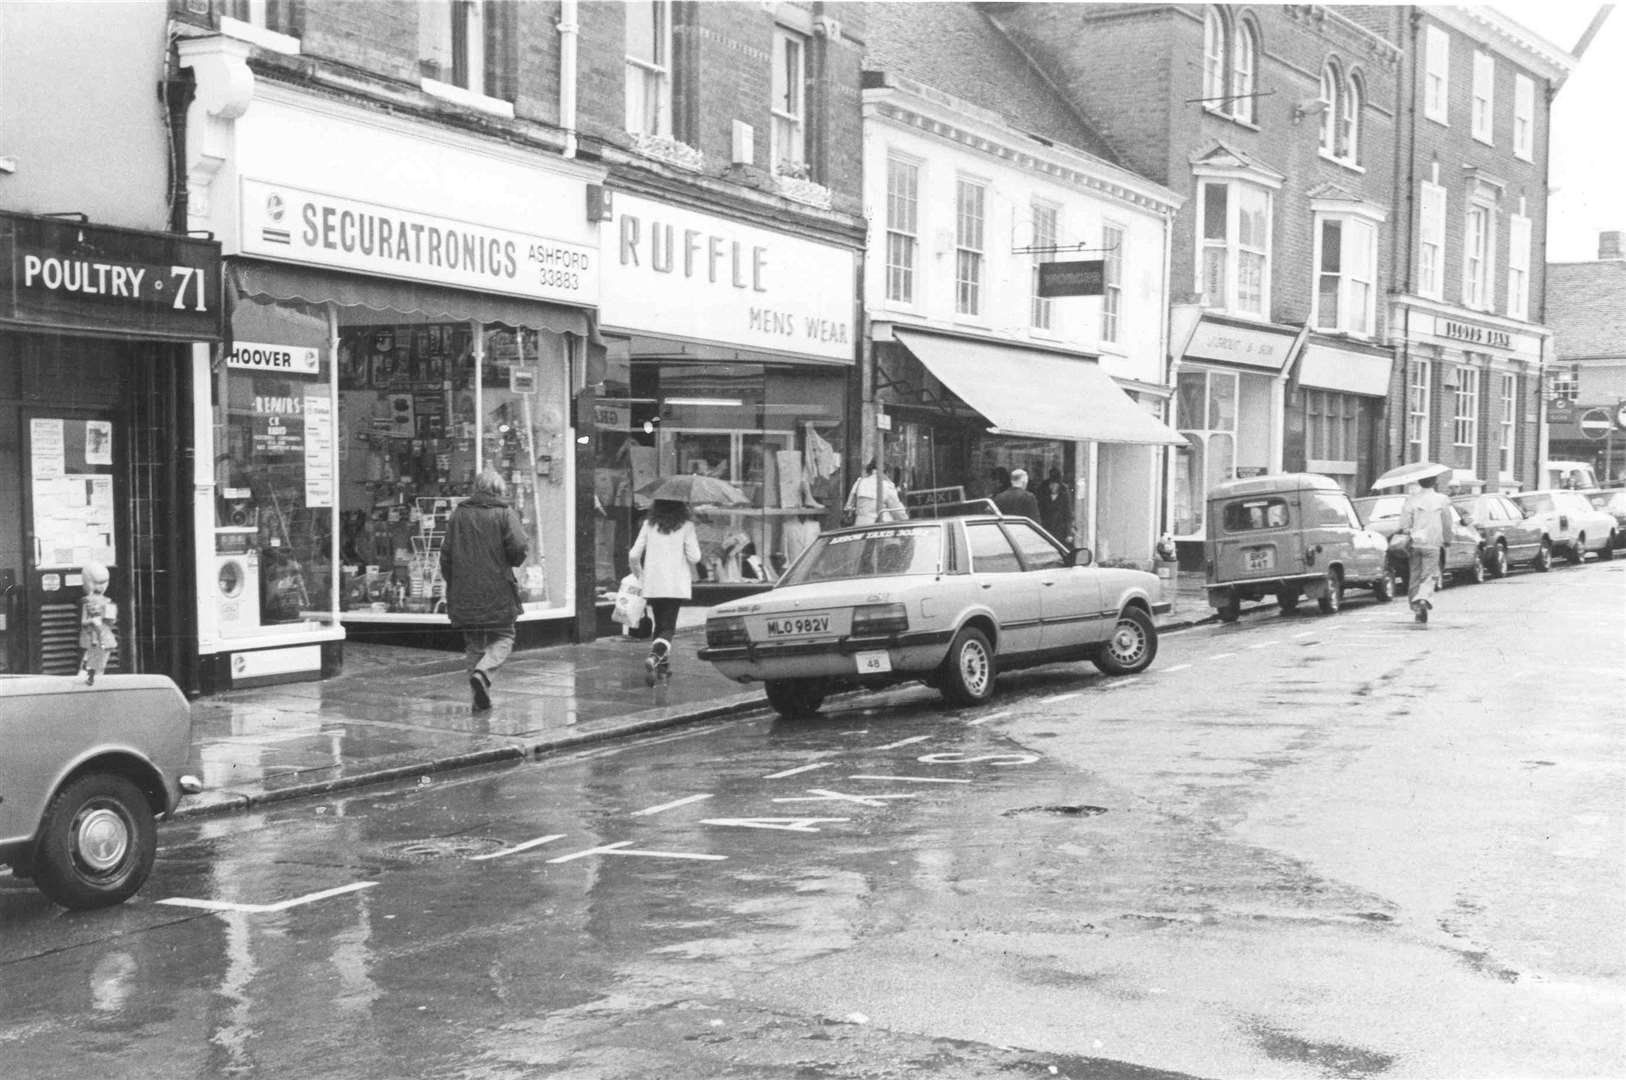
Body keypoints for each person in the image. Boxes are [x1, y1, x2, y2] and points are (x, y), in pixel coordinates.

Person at [440, 468, 528, 711]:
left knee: (474, 644)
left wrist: (454, 582)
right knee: (505, 636)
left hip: (465, 591)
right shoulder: (504, 513)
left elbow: (445, 555)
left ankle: (478, 697)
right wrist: (512, 560)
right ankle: (484, 672)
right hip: (497, 589)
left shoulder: (459, 513)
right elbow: (519, 546)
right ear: (498, 490)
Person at [629, 498, 703, 684]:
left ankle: (662, 668)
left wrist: (639, 574)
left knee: (660, 625)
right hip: (674, 585)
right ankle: (655, 657)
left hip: (653, 584)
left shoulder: (648, 524)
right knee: (668, 628)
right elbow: (695, 558)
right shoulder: (686, 526)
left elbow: (633, 555)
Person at [1397, 472, 1456, 624]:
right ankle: (1423, 598)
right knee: (1429, 575)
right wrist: (1447, 539)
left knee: (1415, 575)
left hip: (1415, 544)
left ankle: (1416, 607)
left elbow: (1404, 525)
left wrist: (1409, 531)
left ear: (1419, 482)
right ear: (1435, 482)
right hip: (1433, 543)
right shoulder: (1442, 500)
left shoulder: (1411, 500)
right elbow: (1447, 522)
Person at [78, 561, 117, 685]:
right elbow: (83, 621)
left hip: (102, 639)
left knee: (94, 669)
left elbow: (111, 621)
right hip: (91, 640)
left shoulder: (108, 602)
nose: (99, 587)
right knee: (87, 668)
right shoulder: (87, 603)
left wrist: (101, 618)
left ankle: (92, 687)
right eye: (95, 583)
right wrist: (92, 620)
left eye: (103, 583)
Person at [843, 461, 907, 525]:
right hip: (880, 527)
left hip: (860, 525)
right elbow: (896, 510)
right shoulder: (887, 486)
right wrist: (906, 520)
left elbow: (848, 506)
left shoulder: (859, 483)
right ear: (886, 473)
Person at [1035, 468, 1074, 543]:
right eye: (1051, 484)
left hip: (1060, 530)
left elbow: (1068, 514)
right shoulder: (1042, 491)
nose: (1053, 487)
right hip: (1046, 528)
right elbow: (1038, 511)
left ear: (1059, 485)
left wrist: (1069, 533)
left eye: (1055, 485)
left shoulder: (1065, 492)